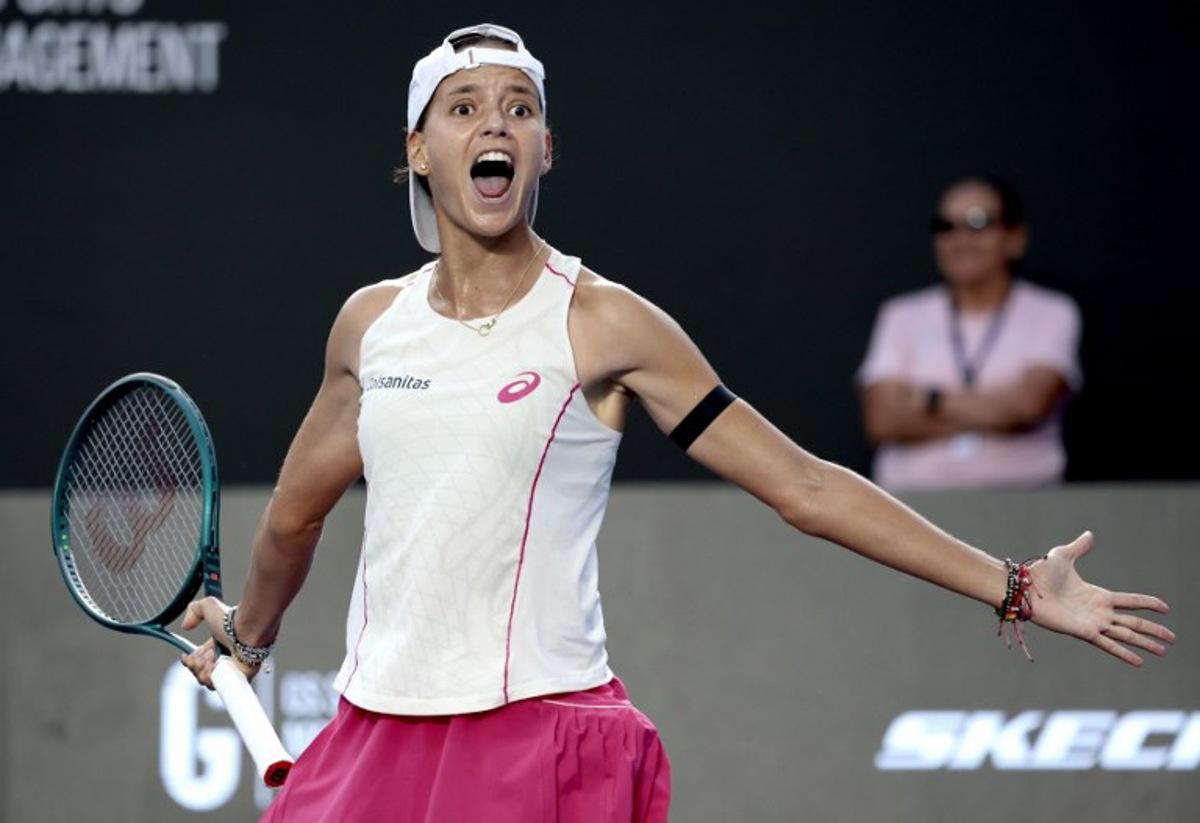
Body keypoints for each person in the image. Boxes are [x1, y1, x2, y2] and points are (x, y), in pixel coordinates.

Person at [180, 25, 1173, 823]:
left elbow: (806, 486)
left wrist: (1011, 586)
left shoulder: (605, 321)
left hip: (539, 734)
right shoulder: (371, 325)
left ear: (543, 148)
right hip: (376, 734)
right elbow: (294, 519)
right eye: (466, 106)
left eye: (521, 108)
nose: (499, 123)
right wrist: (250, 638)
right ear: (418, 149)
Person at [857, 175, 1083, 490]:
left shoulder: (1052, 312)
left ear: (1015, 237)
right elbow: (883, 419)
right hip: (911, 509)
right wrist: (993, 410)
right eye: (945, 226)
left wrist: (927, 398)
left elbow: (1028, 406)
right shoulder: (901, 316)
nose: (961, 240)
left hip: (1027, 507)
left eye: (978, 223)